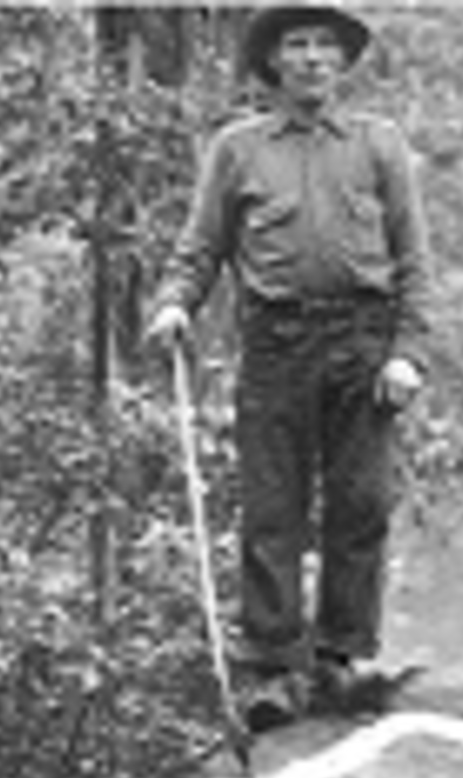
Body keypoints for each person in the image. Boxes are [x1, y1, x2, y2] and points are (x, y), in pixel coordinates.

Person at [145, 4, 431, 732]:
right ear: (273, 61)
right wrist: (175, 304)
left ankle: (340, 660)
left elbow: (413, 260)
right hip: (277, 346)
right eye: (297, 45)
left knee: (361, 505)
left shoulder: (378, 144)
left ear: (342, 62)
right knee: (273, 509)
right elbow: (200, 247)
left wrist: (407, 352)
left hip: (364, 345)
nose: (311, 59)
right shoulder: (238, 149)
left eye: (325, 46)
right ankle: (272, 672)